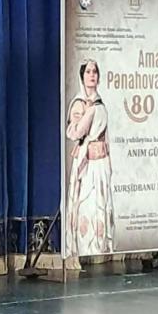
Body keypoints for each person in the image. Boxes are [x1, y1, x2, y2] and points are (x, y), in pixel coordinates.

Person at [64, 60, 114, 257]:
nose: (92, 75)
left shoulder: (99, 104)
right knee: (86, 206)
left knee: (100, 204)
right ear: (82, 76)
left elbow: (105, 136)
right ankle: (85, 249)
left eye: (95, 72)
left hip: (100, 163)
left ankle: (100, 249)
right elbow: (75, 132)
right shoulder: (80, 104)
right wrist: (88, 113)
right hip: (87, 164)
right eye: (88, 72)